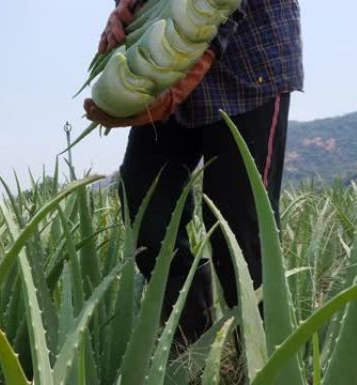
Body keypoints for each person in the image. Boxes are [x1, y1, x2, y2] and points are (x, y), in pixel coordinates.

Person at [85, 0, 304, 344]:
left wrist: (197, 56)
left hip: (249, 55)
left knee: (239, 217)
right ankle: (193, 349)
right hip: (169, 58)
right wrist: (126, 10)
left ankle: (265, 362)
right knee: (147, 199)